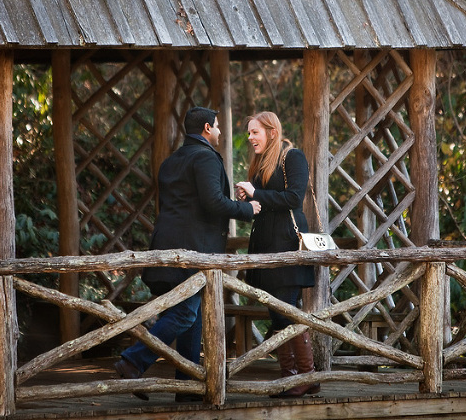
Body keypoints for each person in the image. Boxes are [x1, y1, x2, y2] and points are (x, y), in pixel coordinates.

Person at [114, 107, 261, 402]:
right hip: (193, 249)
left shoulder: (171, 161)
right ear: (207, 128)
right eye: (217, 127)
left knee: (190, 318)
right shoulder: (204, 157)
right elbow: (213, 203)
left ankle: (189, 386)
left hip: (166, 244)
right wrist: (248, 209)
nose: (220, 132)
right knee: (184, 313)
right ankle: (133, 361)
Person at [235, 111, 320, 398]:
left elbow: (294, 198)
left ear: (271, 132)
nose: (250, 138)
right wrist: (249, 196)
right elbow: (267, 202)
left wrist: (256, 193)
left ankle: (305, 375)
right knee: (277, 312)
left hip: (286, 245)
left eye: (254, 132)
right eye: (249, 133)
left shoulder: (291, 156)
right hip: (265, 246)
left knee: (287, 311)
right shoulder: (261, 162)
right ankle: (290, 377)